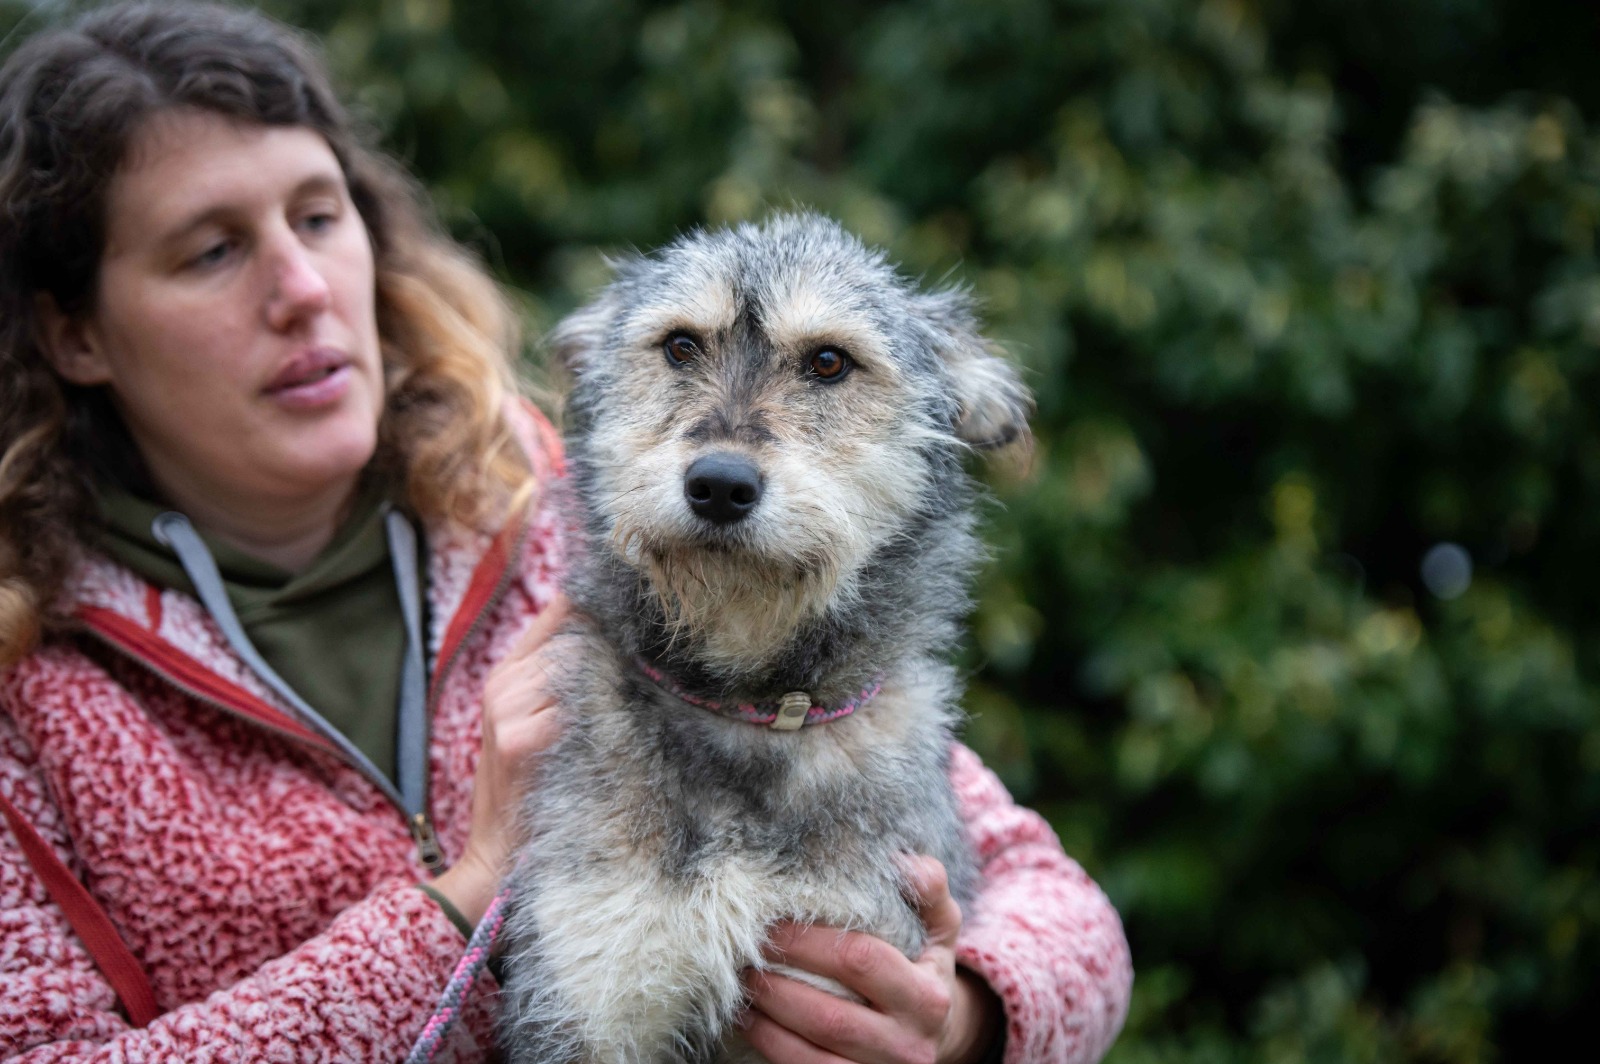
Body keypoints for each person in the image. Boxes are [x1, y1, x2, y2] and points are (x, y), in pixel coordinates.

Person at [0, 2, 1132, 1061]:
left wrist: (962, 1019)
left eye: (316, 216)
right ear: (73, 334)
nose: (301, 286)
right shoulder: (28, 701)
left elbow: (1064, 912)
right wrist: (466, 898)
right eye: (211, 249)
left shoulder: (559, 516)